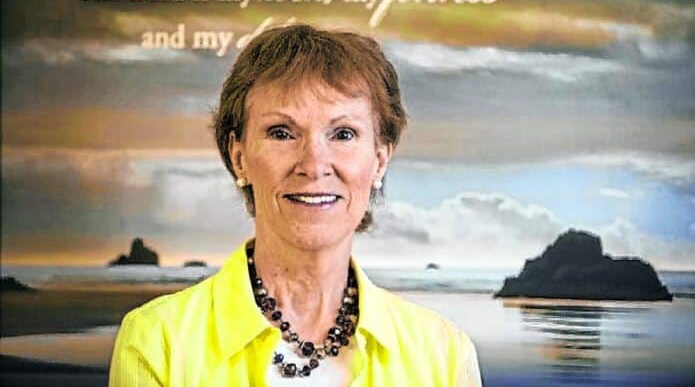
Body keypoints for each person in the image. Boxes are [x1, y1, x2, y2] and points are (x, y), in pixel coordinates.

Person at [109, 24, 482, 386]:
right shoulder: (157, 342)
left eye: (343, 134)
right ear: (239, 158)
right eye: (282, 133)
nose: (314, 164)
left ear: (380, 160)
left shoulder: (444, 354)